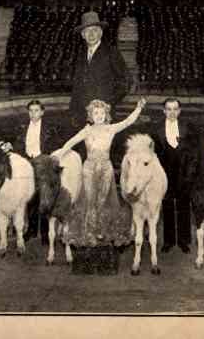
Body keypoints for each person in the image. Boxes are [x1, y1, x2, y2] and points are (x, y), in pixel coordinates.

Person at [53, 97, 147, 275]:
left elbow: (128, 122)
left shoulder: (111, 129)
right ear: (91, 115)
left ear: (106, 115)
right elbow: (70, 142)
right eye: (95, 113)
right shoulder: (87, 130)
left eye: (102, 113)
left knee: (103, 201)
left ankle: (101, 233)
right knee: (89, 200)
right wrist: (58, 155)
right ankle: (89, 234)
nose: (99, 115)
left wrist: (138, 108)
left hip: (106, 168)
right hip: (88, 168)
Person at [0, 100, 61, 245]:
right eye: (31, 111)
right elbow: (18, 144)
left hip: (43, 163)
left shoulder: (49, 128)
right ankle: (32, 231)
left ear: (42, 112)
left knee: (45, 198)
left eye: (37, 110)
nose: (33, 114)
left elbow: (56, 146)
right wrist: (10, 146)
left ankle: (45, 234)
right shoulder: (22, 127)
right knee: (30, 197)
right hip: (28, 164)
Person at [68, 11, 130, 128]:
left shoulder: (111, 52)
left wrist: (108, 103)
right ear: (82, 35)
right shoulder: (80, 55)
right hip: (82, 115)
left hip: (103, 114)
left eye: (95, 30)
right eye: (87, 31)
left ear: (101, 33)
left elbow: (125, 82)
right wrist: (73, 111)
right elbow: (77, 85)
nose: (91, 34)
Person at [150, 98, 193, 254]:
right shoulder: (156, 129)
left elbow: (192, 150)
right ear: (164, 111)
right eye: (169, 109)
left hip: (183, 173)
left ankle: (183, 241)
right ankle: (168, 241)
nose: (172, 112)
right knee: (167, 206)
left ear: (179, 111)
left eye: (175, 109)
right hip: (164, 173)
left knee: (183, 207)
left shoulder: (187, 127)